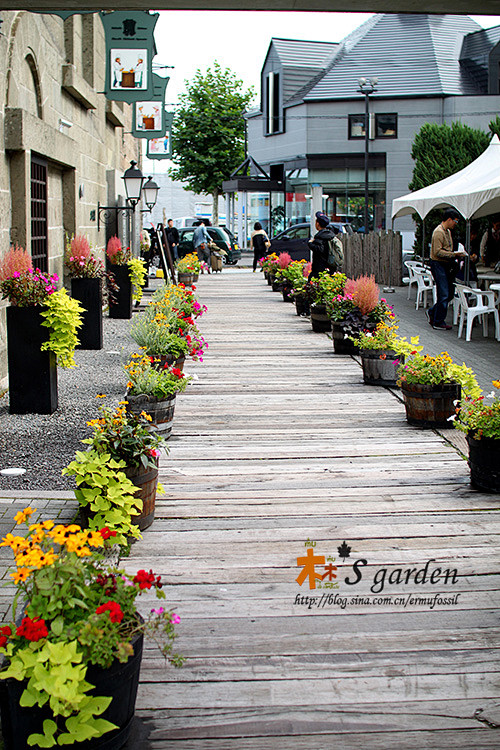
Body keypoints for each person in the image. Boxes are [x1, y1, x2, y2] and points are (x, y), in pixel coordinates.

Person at [427, 208, 467, 330]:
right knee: (443, 293)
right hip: (438, 264)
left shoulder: (447, 231)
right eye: (455, 221)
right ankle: (438, 321)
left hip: (446, 264)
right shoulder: (438, 232)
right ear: (449, 219)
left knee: (449, 293)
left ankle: (433, 312)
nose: (456, 224)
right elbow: (437, 252)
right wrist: (454, 254)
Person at [308, 211, 336, 280]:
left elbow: (320, 249)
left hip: (319, 269)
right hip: (330, 267)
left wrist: (310, 244)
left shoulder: (320, 236)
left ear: (317, 224)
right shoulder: (330, 235)